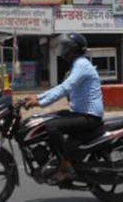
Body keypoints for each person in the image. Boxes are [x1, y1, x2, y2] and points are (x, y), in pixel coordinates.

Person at [24, 33, 103, 182]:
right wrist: (38, 97)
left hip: (89, 117)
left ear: (73, 49)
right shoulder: (77, 65)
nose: (63, 51)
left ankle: (65, 164)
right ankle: (60, 156)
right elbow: (60, 88)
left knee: (52, 127)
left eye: (65, 47)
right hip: (80, 113)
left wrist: (40, 102)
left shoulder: (81, 65)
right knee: (51, 117)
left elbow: (65, 88)